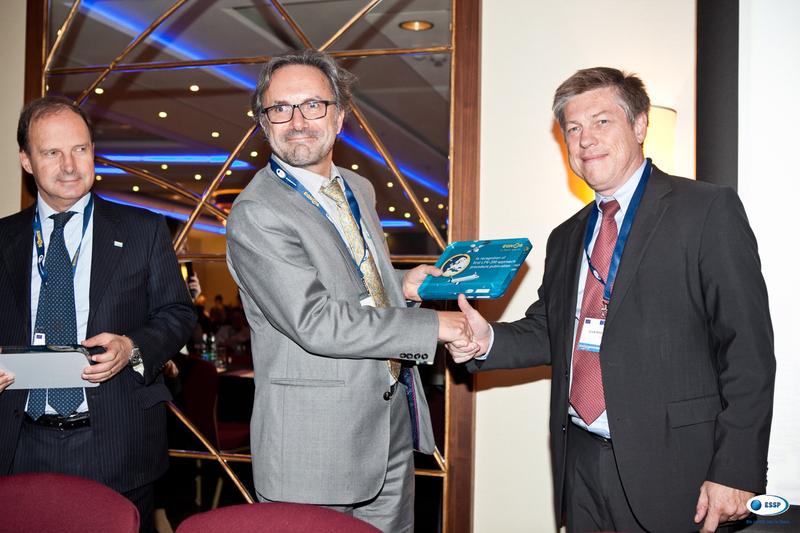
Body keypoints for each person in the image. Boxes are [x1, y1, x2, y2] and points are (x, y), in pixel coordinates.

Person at [447, 67, 775, 533]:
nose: (585, 140)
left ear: (639, 125)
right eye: (572, 129)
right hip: (580, 465)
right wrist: (486, 341)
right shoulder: (566, 236)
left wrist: (737, 470)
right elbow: (550, 330)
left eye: (601, 121)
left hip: (678, 471)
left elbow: (748, 349)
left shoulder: (705, 209)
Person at [226, 49, 471, 532]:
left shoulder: (357, 189)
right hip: (312, 450)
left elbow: (353, 283)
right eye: (280, 108)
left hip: (387, 429)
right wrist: (432, 325)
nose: (297, 121)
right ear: (263, 122)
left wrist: (402, 284)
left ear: (339, 117)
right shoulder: (257, 213)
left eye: (312, 105)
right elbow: (316, 321)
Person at [0, 97, 196, 533]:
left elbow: (178, 313)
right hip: (18, 443)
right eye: (52, 152)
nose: (70, 165)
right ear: (26, 161)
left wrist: (132, 347)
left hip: (116, 443)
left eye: (80, 149)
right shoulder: (3, 239)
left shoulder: (143, 230)